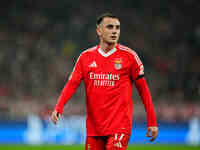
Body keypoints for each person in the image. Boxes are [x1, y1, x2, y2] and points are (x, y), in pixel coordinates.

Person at [51, 13, 158, 150]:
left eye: (117, 28)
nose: (114, 31)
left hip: (119, 126)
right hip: (94, 128)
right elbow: (72, 84)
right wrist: (59, 107)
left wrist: (152, 121)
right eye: (109, 27)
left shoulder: (129, 57)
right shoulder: (85, 57)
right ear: (99, 31)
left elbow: (144, 91)